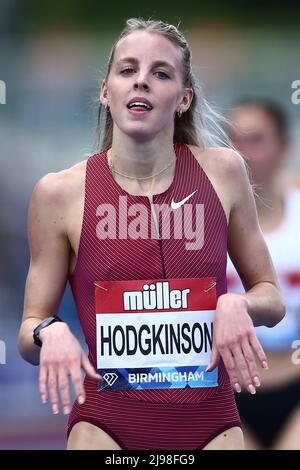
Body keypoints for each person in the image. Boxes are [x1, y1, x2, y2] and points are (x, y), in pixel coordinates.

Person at [18, 18, 284, 450]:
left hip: (211, 425)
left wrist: (240, 303)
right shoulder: (59, 194)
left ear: (183, 99)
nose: (141, 81)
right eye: (127, 70)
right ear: (106, 92)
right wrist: (50, 330)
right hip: (106, 425)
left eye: (160, 73)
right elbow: (29, 330)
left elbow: (271, 299)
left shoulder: (224, 173)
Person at [227, 98, 300, 450]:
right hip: (228, 397)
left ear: (283, 147)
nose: (242, 153)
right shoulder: (199, 223)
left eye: (255, 140)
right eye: (233, 142)